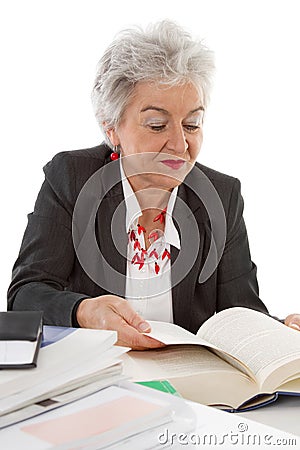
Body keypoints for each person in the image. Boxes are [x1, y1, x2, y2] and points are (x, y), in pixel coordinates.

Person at [7, 20, 300, 350]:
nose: (179, 143)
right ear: (112, 129)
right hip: (95, 383)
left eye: (192, 124)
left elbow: (241, 314)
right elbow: (25, 295)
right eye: (157, 125)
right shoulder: (71, 177)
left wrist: (279, 329)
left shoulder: (222, 196)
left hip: (192, 393)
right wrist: (84, 311)